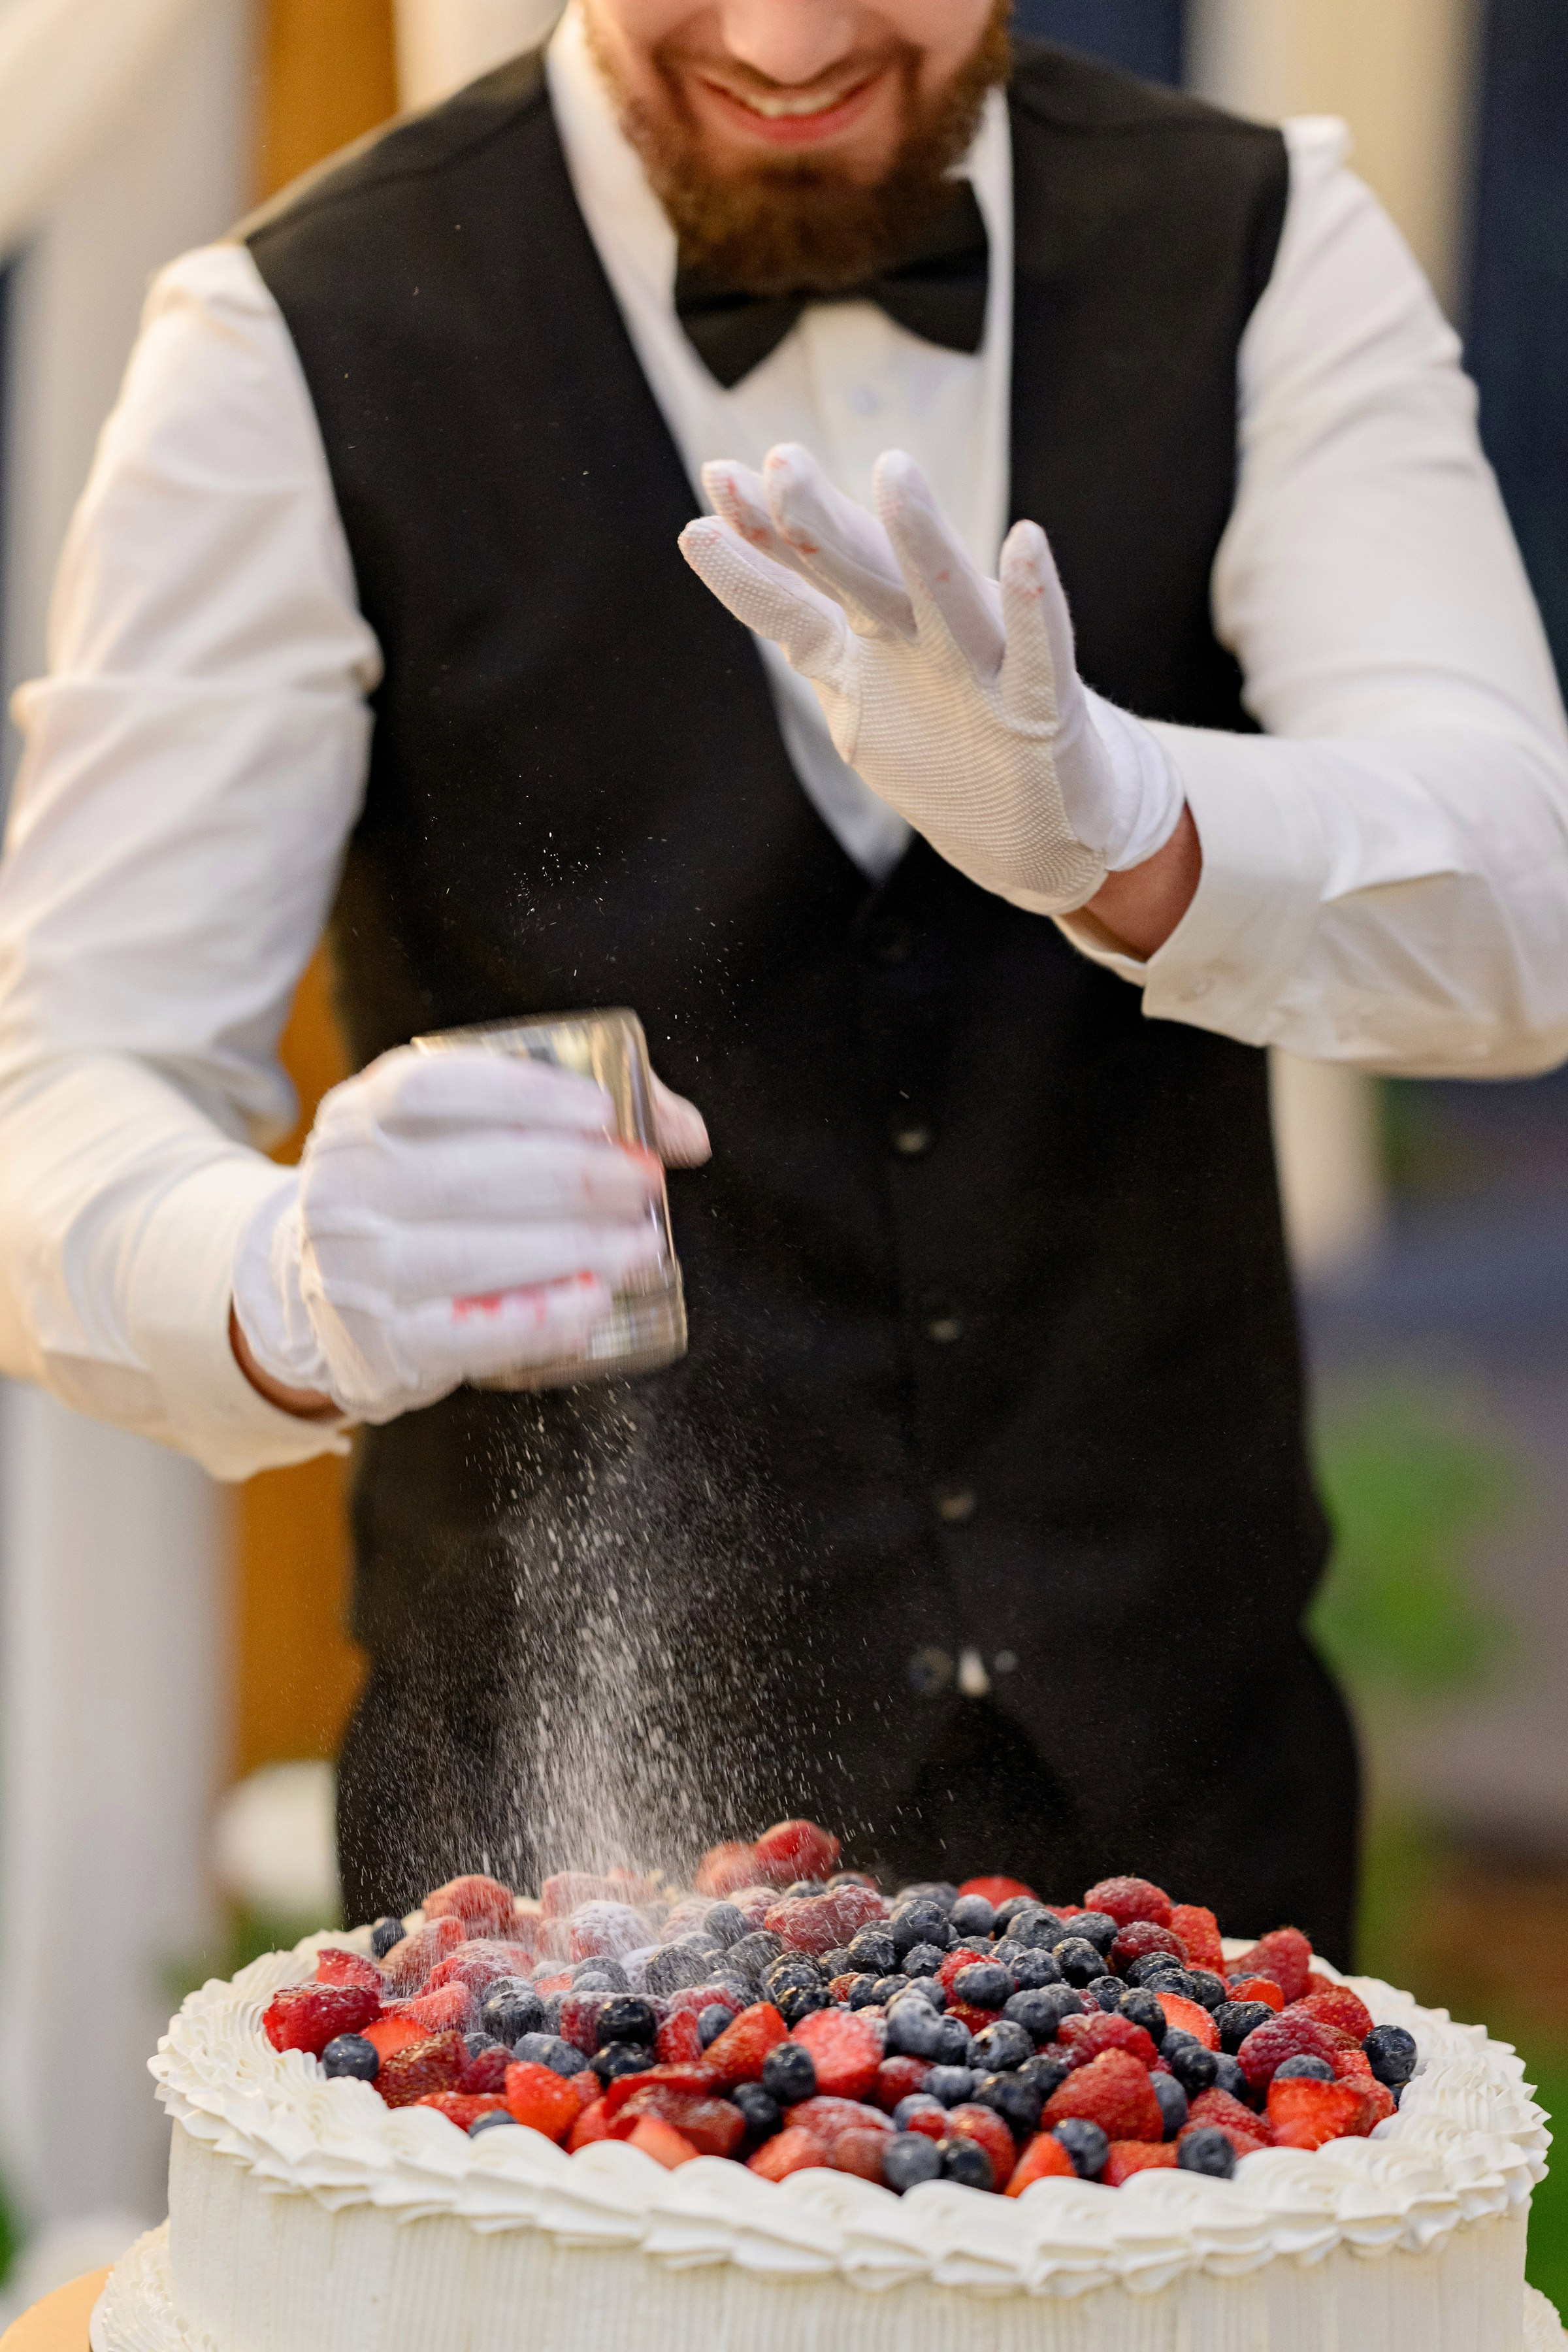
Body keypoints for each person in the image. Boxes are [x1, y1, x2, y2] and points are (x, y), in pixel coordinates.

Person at [0, 0, 1564, 1954]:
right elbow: (62, 1096)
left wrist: (1128, 820)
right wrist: (281, 1279)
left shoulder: (1263, 245)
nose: (788, 40)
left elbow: (1530, 912)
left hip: (1200, 1862)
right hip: (556, 1932)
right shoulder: (279, 340)